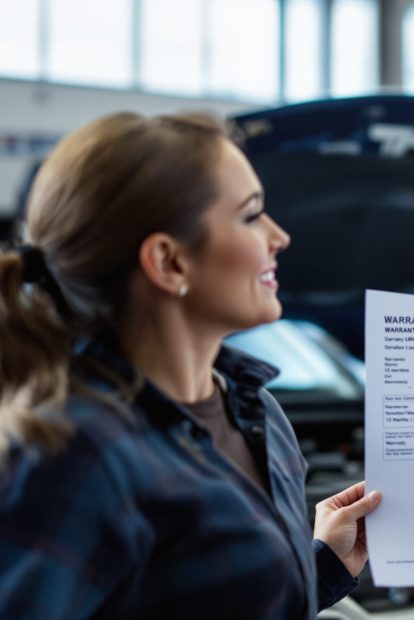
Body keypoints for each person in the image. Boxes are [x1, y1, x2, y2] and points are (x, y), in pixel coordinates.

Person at [0, 111, 381, 618]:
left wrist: (325, 562)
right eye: (251, 215)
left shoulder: (258, 414)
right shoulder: (77, 455)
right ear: (169, 262)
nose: (280, 236)